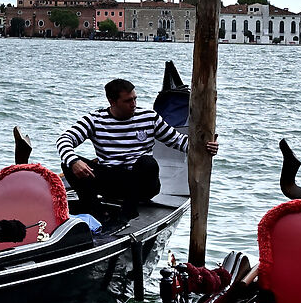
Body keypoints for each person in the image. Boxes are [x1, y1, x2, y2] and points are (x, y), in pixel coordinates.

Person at [56, 77, 215, 218]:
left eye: (135, 99)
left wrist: (205, 148)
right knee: (68, 164)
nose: (133, 104)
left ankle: (129, 210)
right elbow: (64, 139)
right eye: (128, 101)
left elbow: (178, 141)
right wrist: (74, 160)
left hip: (142, 184)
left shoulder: (148, 117)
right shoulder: (95, 119)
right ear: (112, 102)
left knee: (147, 163)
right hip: (112, 179)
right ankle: (94, 209)